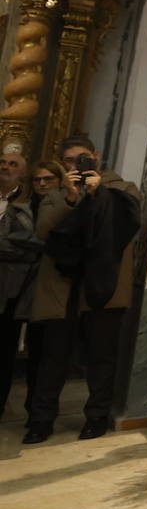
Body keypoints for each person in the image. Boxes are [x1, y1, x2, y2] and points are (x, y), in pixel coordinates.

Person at [24, 136, 141, 444]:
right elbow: (42, 229)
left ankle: (97, 417)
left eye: (84, 158)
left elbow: (129, 220)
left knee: (102, 359)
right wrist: (72, 197)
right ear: (64, 164)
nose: (78, 165)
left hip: (105, 286)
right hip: (62, 289)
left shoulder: (121, 188)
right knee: (53, 359)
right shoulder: (58, 192)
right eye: (72, 161)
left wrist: (98, 192)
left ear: (97, 155)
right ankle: (41, 419)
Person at [0, 151, 43, 422]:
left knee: (3, 351)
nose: (5, 167)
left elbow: (30, 247)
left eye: (13, 164)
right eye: (2, 162)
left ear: (22, 174)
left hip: (8, 290)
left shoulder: (28, 205)